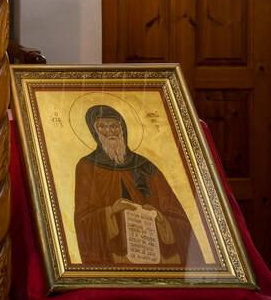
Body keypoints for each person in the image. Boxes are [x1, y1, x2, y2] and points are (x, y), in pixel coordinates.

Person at [73, 104, 200, 267]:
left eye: (115, 126)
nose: (110, 132)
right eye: (103, 127)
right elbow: (83, 219)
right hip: (114, 257)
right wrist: (111, 211)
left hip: (155, 252)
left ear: (123, 130)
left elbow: (178, 217)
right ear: (94, 131)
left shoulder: (146, 166)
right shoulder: (87, 167)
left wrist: (160, 218)